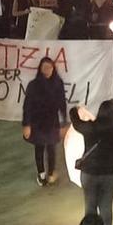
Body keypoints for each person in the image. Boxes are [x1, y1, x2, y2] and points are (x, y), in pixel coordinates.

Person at [70, 101, 113, 225]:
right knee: (106, 205)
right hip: (109, 173)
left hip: (89, 173)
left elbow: (76, 123)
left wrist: (74, 110)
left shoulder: (90, 128)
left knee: (90, 205)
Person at [22, 57, 69, 186]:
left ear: (53, 69)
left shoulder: (58, 83)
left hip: (52, 121)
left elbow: (62, 103)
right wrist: (26, 124)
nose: (47, 70)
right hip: (37, 122)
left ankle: (51, 173)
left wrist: (64, 122)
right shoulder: (33, 85)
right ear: (40, 69)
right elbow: (27, 106)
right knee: (39, 147)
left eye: (49, 67)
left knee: (52, 147)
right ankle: (41, 173)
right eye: (44, 67)